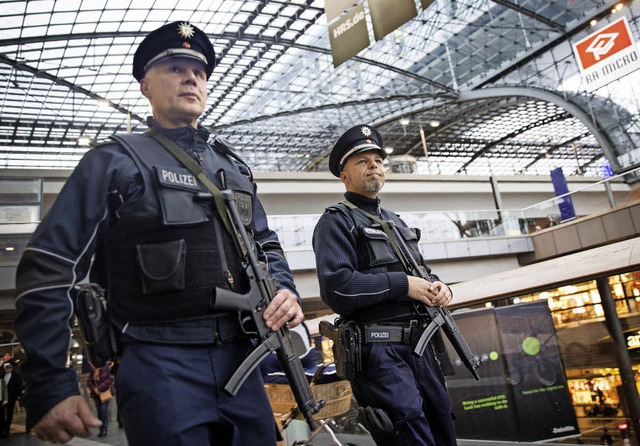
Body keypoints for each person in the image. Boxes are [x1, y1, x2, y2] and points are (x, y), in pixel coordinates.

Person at [14, 21, 303, 446]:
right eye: (175, 67)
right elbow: (50, 267)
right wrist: (49, 381)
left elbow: (266, 244)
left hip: (242, 358)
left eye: (200, 72)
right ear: (145, 85)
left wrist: (285, 290)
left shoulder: (234, 169)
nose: (191, 78)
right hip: (159, 362)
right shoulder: (113, 162)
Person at [312, 125, 457, 446]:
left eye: (377, 160)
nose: (374, 165)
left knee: (442, 426)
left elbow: (424, 272)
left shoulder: (396, 222)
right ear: (344, 176)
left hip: (421, 347)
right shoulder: (336, 221)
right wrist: (402, 285)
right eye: (362, 161)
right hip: (379, 352)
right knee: (409, 430)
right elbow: (337, 287)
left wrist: (439, 288)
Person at [87, 362, 115, 437]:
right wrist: (94, 389)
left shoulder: (107, 368)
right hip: (96, 394)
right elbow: (89, 382)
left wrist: (99, 388)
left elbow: (110, 379)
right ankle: (101, 429)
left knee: (103, 411)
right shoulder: (92, 371)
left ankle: (105, 429)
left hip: (104, 393)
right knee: (99, 412)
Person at [1, 362, 23, 437]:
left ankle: (7, 429)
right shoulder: (2, 375)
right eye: (7, 368)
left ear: (12, 368)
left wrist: (18, 395)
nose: (8, 369)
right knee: (1, 413)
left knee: (9, 413)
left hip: (11, 397)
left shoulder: (16, 376)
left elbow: (19, 386)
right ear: (5, 369)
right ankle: (3, 427)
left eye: (10, 368)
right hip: (2, 397)